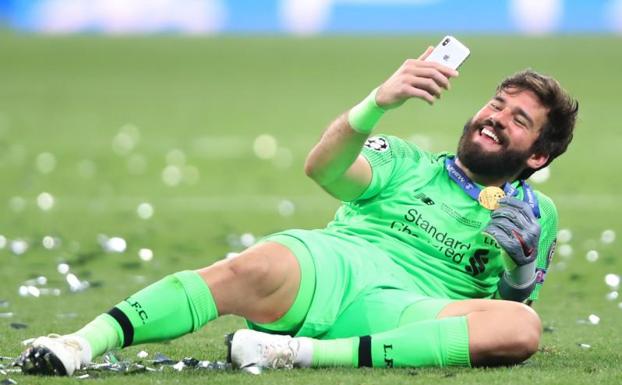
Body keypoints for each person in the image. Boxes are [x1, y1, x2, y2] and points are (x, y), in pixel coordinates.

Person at [20, 45, 578, 375]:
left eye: (518, 119)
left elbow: (502, 313)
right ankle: (79, 345)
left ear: (536, 153)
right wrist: (378, 102)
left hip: (409, 312)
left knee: (521, 328)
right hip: (332, 269)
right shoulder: (406, 161)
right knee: (251, 267)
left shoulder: (536, 213)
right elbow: (325, 170)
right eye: (497, 104)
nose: (496, 116)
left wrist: (521, 270)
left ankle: (296, 353)